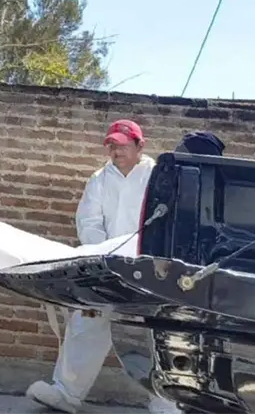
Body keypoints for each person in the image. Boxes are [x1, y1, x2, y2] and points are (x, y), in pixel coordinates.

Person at [26, 119, 180, 414]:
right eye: (112, 145)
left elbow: (167, 223)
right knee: (87, 322)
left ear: (140, 145)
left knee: (154, 334)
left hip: (148, 270)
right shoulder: (99, 179)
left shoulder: (157, 178)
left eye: (122, 145)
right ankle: (67, 393)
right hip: (107, 266)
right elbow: (89, 221)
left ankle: (166, 403)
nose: (116, 151)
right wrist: (103, 253)